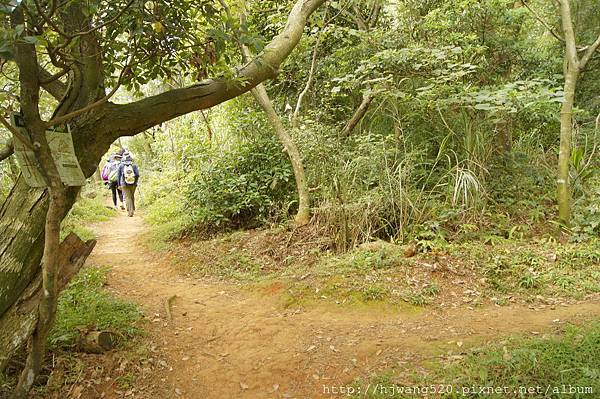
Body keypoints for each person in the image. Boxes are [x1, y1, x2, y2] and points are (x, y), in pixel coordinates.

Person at [118, 151, 140, 217]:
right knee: (132, 196)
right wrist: (135, 182)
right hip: (133, 184)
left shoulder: (121, 165)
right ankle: (132, 208)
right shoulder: (134, 165)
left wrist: (119, 184)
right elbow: (137, 174)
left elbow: (118, 176)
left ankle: (130, 212)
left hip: (124, 184)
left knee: (127, 197)